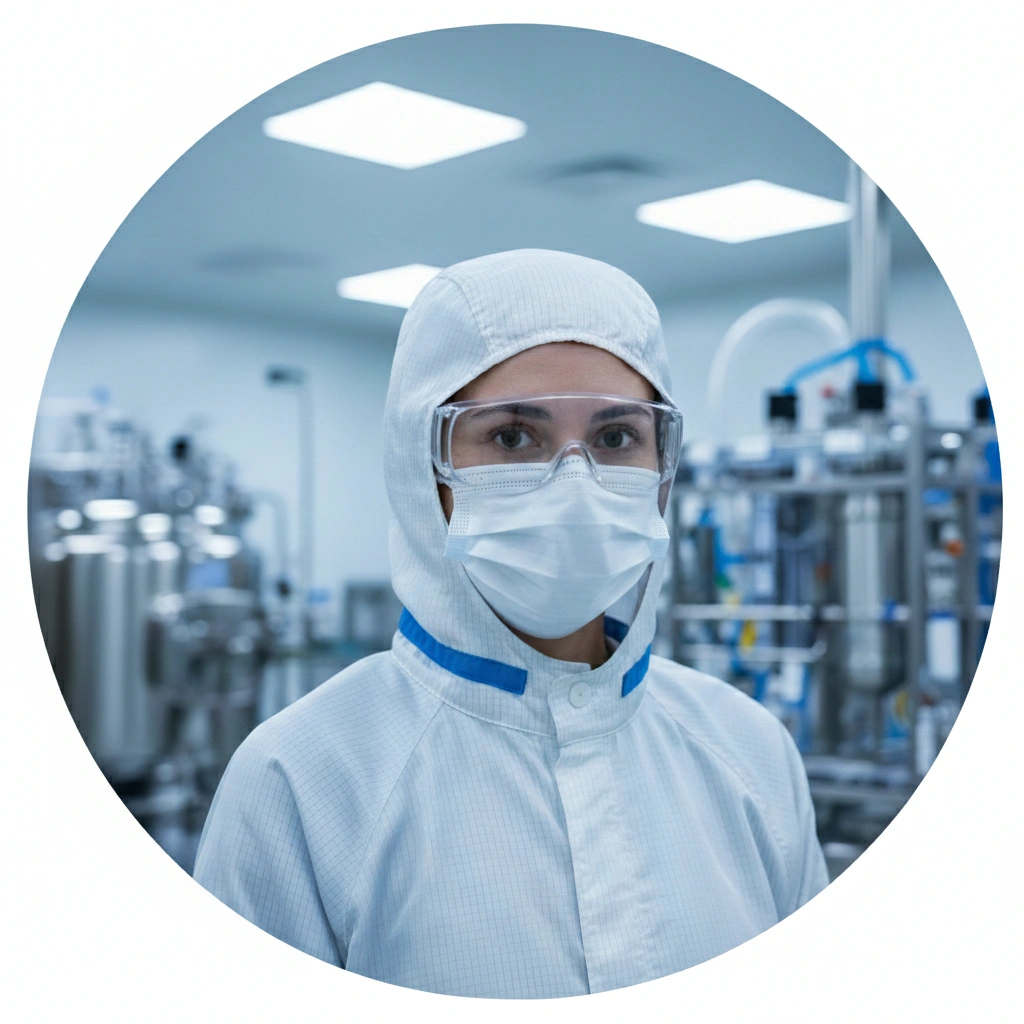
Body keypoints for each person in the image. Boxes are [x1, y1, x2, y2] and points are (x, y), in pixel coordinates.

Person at [193, 248, 828, 998]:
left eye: (616, 438)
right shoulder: (300, 781)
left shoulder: (750, 750)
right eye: (513, 437)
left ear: (662, 464)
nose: (576, 485)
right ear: (422, 464)